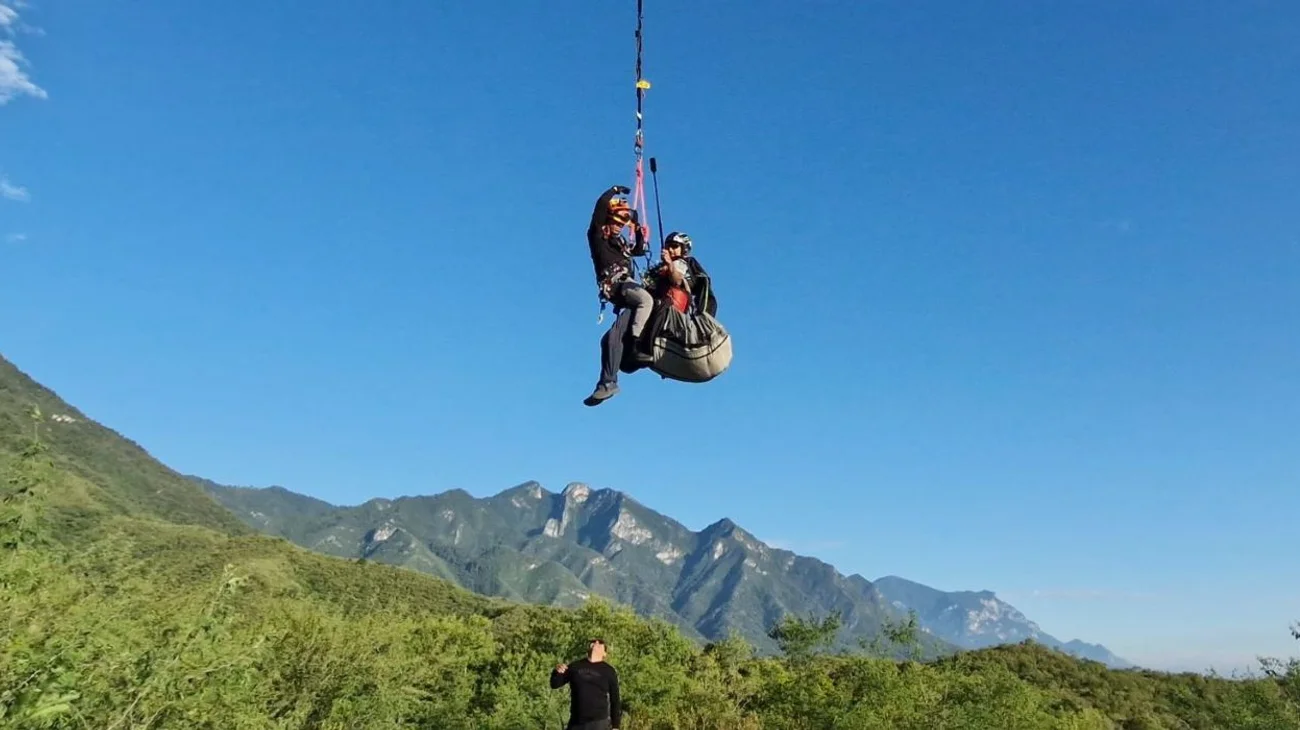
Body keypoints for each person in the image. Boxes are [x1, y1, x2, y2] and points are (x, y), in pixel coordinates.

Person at [584, 185, 655, 407]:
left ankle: (607, 382)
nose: (618, 227)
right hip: (617, 285)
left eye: (621, 225)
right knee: (645, 300)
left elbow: (638, 251)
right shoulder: (598, 236)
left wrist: (639, 232)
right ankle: (635, 346)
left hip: (627, 287)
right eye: (615, 222)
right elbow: (599, 210)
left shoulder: (620, 243)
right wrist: (613, 191)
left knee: (611, 338)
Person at [550, 638, 622, 730]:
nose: (596, 643)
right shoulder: (575, 666)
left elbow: (615, 699)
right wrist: (557, 672)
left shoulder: (608, 671)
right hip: (576, 722)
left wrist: (616, 726)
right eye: (593, 641)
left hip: (598, 722)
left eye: (600, 643)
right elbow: (555, 684)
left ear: (604, 654)